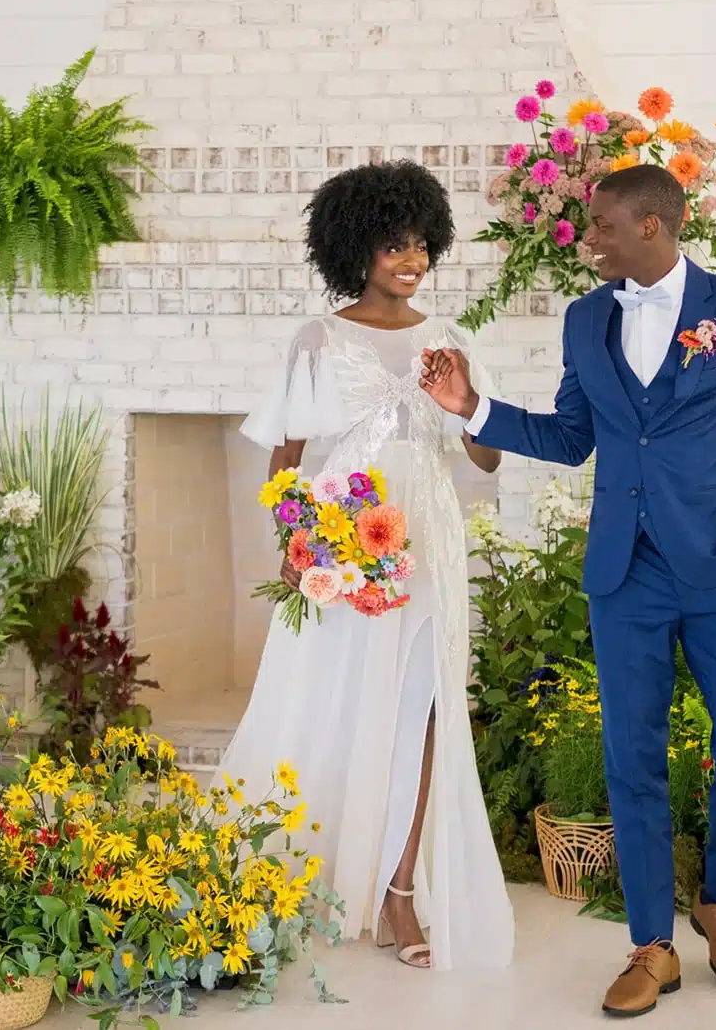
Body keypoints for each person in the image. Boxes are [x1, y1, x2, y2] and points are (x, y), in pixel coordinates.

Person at [421, 165, 716, 1015]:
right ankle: (651, 945)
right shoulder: (586, 318)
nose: (587, 237)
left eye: (601, 224)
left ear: (651, 227)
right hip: (624, 573)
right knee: (631, 755)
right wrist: (472, 406)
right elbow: (573, 437)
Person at [226, 160, 515, 971]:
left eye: (421, 242)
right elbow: (286, 455)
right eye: (394, 244)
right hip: (345, 539)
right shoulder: (318, 339)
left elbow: (486, 458)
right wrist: (292, 542)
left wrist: (465, 402)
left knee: (424, 706)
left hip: (428, 540)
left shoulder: (450, 340)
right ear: (357, 247)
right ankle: (309, 867)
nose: (412, 258)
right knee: (336, 696)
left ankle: (400, 891)